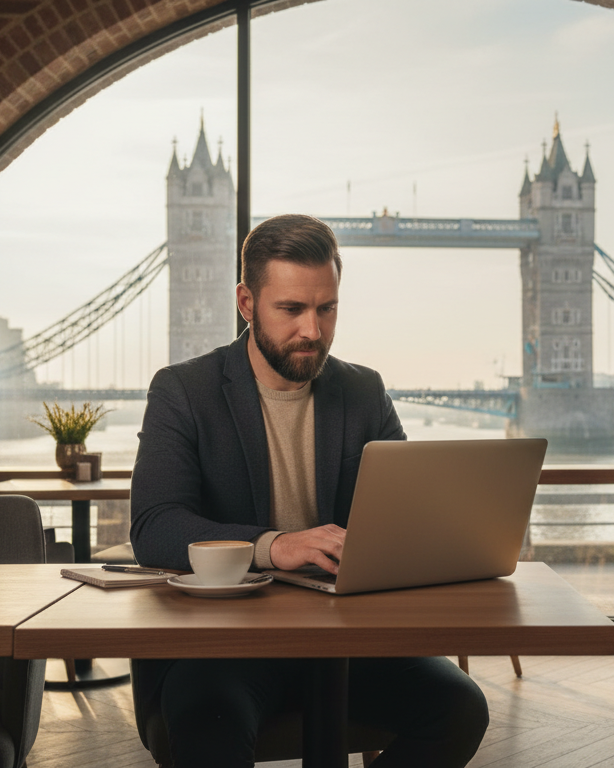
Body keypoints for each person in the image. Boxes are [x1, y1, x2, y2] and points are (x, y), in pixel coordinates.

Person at [129, 214, 489, 767]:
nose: (313, 331)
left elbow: (405, 516)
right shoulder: (183, 390)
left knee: (460, 710)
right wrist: (275, 545)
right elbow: (156, 528)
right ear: (247, 304)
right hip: (225, 645)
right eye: (292, 309)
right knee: (208, 728)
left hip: (348, 640)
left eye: (327, 308)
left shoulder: (364, 391)